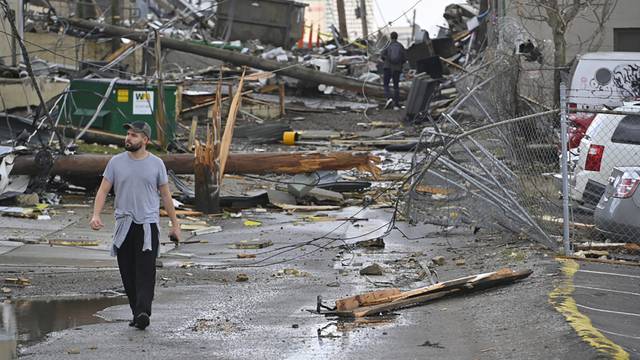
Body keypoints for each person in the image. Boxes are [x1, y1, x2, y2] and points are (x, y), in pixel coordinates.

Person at [90, 121, 181, 330]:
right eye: (128, 134)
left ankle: (143, 311)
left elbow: (166, 195)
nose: (128, 138)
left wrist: (175, 224)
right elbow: (104, 190)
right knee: (127, 271)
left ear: (145, 140)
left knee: (145, 271)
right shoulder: (115, 162)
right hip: (124, 225)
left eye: (134, 135)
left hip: (147, 225)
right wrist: (96, 214)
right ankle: (136, 311)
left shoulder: (157, 163)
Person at [381, 31, 407, 110]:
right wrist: (400, 64)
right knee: (396, 86)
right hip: (397, 69)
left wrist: (386, 61)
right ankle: (396, 104)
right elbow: (405, 58)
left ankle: (389, 98)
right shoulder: (400, 46)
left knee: (386, 84)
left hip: (387, 67)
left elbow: (382, 55)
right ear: (397, 37)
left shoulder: (388, 45)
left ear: (391, 37)